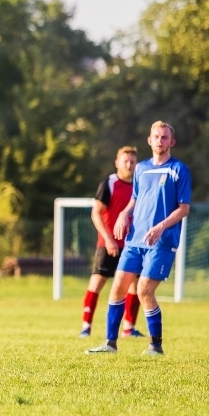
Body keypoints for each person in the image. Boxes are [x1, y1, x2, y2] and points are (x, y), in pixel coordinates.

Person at [86, 121, 192, 356]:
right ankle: (110, 344)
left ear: (172, 142)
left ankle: (155, 346)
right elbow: (136, 198)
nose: (160, 141)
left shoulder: (179, 170)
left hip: (161, 242)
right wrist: (124, 213)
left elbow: (184, 208)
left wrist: (161, 227)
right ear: (149, 140)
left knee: (144, 290)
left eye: (165, 137)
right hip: (134, 240)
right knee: (118, 288)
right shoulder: (141, 169)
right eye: (156, 136)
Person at [80, 146, 145, 338]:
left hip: (132, 244)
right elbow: (96, 213)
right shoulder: (109, 183)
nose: (129, 165)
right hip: (108, 244)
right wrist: (108, 239)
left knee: (135, 285)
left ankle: (128, 328)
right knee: (97, 281)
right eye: (125, 161)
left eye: (132, 162)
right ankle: (86, 327)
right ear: (117, 163)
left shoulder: (140, 185)